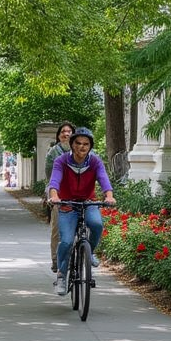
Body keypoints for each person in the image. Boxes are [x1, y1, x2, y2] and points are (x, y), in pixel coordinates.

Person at [48, 127, 115, 295]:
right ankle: (62, 275)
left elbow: (103, 179)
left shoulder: (95, 161)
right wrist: (54, 196)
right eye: (78, 143)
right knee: (67, 241)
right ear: (72, 144)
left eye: (86, 144)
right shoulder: (61, 161)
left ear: (90, 146)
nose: (82, 147)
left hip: (88, 202)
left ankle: (89, 252)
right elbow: (54, 180)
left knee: (97, 224)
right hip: (67, 204)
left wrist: (109, 196)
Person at [44, 121, 76, 272]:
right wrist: (53, 193)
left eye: (69, 131)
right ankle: (56, 260)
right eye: (63, 131)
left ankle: (83, 251)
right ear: (58, 135)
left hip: (77, 193)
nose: (66, 133)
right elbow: (49, 175)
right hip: (58, 193)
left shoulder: (81, 151)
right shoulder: (53, 152)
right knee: (57, 227)